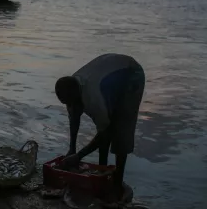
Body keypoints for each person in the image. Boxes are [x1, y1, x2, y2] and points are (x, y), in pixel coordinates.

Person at [54, 53, 146, 200]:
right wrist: (72, 149)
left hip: (131, 74)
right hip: (111, 73)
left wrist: (79, 156)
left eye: (71, 102)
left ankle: (117, 183)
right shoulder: (70, 88)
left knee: (121, 127)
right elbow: (74, 119)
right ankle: (102, 171)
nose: (70, 106)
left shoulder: (95, 98)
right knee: (103, 126)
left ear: (78, 95)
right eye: (66, 103)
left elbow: (105, 132)